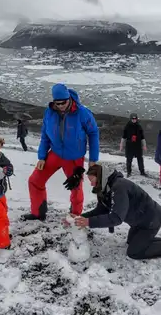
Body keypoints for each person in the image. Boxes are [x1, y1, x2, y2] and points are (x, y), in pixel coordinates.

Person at [64, 164, 161, 260]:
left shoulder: (119, 187)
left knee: (134, 252)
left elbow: (116, 218)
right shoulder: (106, 188)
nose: (91, 184)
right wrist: (79, 218)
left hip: (151, 220)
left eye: (92, 180)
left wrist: (89, 222)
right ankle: (153, 241)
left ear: (100, 176)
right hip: (139, 222)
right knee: (131, 242)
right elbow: (101, 210)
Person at [22, 83, 100, 221]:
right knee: (34, 180)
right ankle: (37, 212)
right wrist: (41, 156)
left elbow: (93, 133)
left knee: (75, 188)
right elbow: (45, 135)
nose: (60, 106)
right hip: (55, 154)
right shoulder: (49, 112)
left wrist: (93, 159)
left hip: (74, 158)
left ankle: (75, 215)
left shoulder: (82, 113)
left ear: (69, 98)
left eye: (63, 102)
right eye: (57, 103)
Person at [120, 113, 147, 177]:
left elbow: (142, 137)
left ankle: (142, 171)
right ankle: (129, 172)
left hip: (137, 145)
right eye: (133, 119)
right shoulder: (127, 126)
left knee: (140, 159)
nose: (134, 120)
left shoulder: (139, 126)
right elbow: (124, 137)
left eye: (135, 119)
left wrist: (144, 145)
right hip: (129, 145)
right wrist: (121, 145)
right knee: (129, 159)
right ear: (131, 119)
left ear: (137, 119)